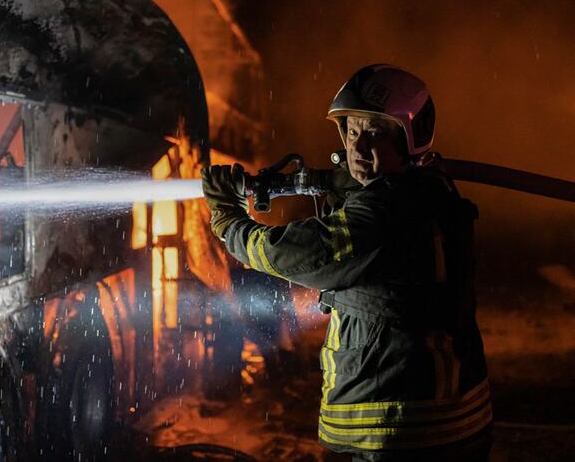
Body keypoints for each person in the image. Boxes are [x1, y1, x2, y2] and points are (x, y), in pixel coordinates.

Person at [201, 64, 491, 461]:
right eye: (352, 131)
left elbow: (287, 253)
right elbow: (360, 181)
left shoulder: (381, 214)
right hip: (449, 415)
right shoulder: (431, 187)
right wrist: (315, 180)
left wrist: (227, 218)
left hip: (400, 425)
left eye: (373, 133)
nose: (356, 147)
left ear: (408, 139)